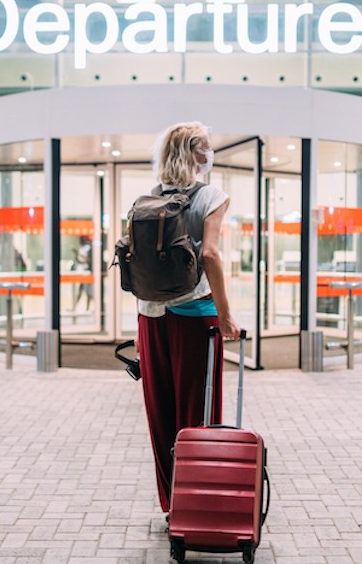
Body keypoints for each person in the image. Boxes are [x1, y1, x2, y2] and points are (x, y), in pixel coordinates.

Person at [135, 122, 240, 515]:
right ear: (192, 153)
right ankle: (199, 502)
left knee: (160, 413)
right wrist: (226, 317)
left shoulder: (149, 197)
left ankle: (171, 502)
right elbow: (210, 255)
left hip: (151, 317)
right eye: (206, 147)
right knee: (197, 412)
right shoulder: (211, 194)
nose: (210, 154)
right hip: (195, 315)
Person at [72, 235, 94, 311]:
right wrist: (76, 254)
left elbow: (87, 260)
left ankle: (88, 308)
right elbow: (80, 260)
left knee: (88, 291)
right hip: (82, 272)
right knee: (81, 290)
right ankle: (75, 307)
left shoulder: (88, 248)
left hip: (86, 271)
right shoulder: (83, 248)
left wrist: (78, 253)